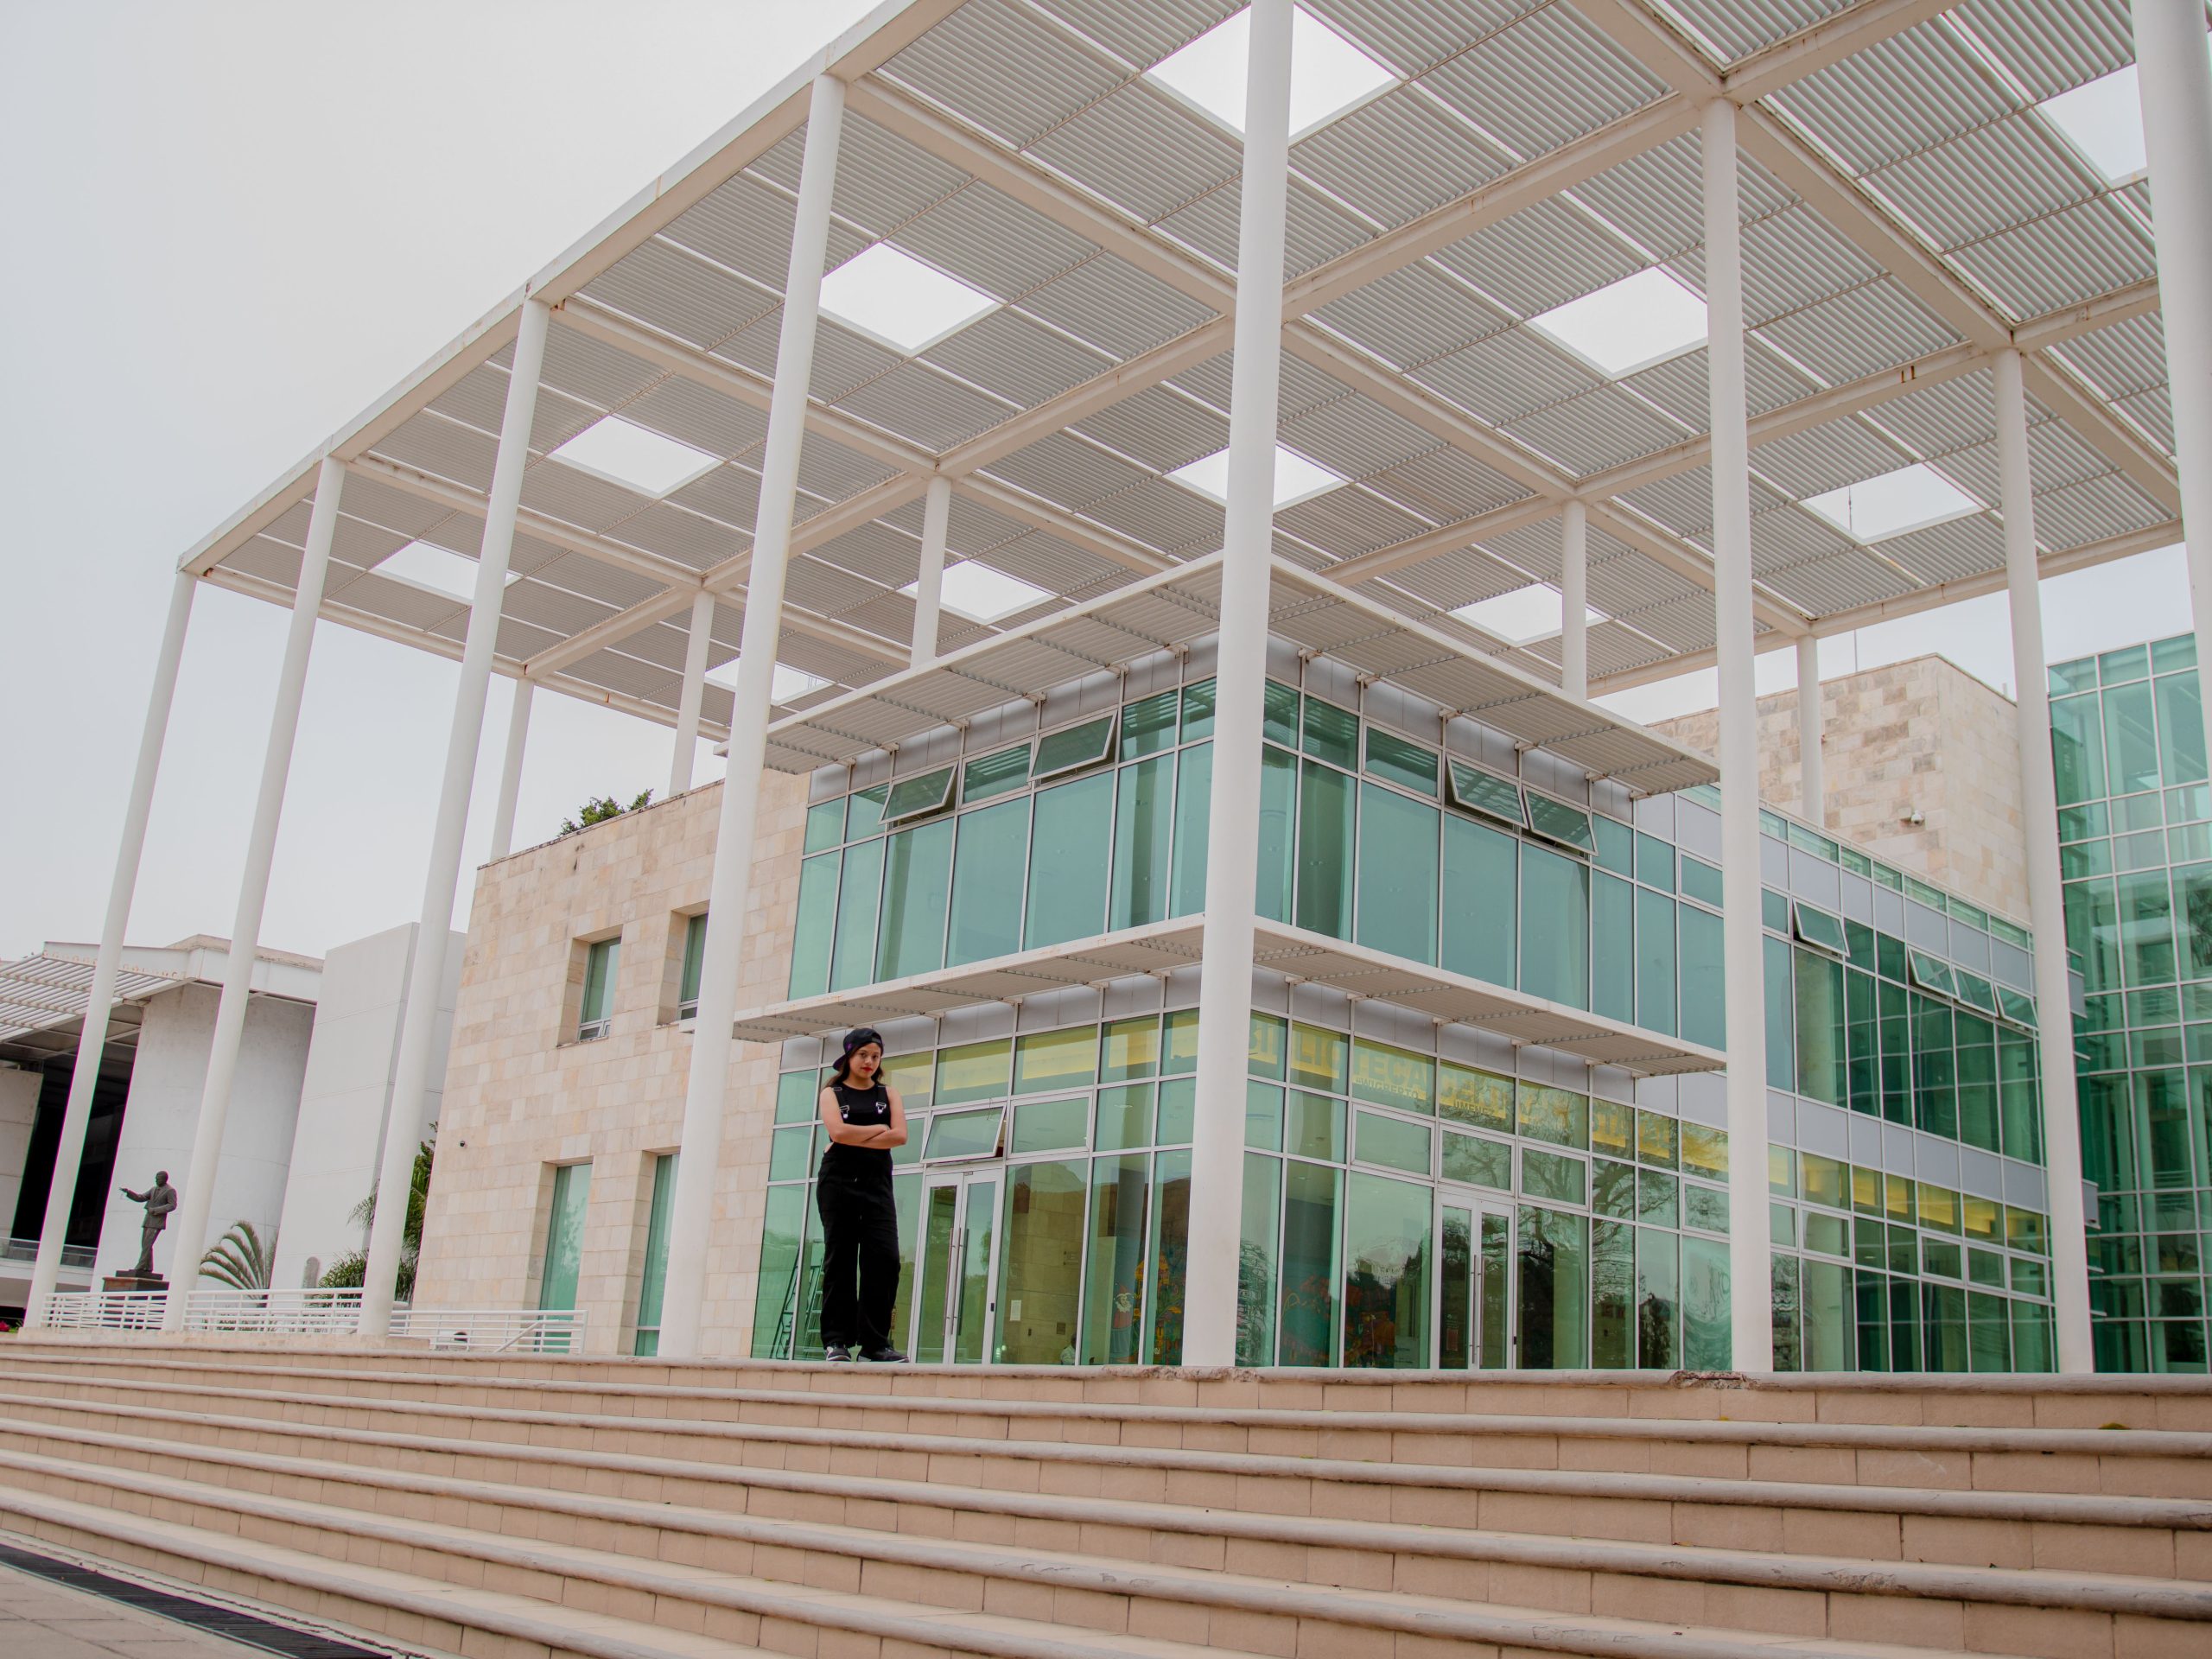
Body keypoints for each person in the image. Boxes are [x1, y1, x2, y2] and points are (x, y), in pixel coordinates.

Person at [815, 1027, 908, 1362]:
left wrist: (858, 1134)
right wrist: (878, 1129)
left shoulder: (889, 1094)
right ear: (849, 1057)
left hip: (877, 1184)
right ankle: (836, 1341)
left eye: (876, 1056)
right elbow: (837, 1133)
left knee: (885, 1260)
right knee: (840, 1260)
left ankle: (875, 1344)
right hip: (838, 1182)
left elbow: (900, 1137)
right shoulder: (832, 1093)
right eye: (863, 1055)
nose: (870, 1061)